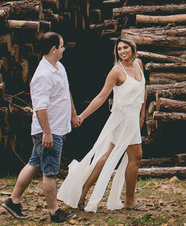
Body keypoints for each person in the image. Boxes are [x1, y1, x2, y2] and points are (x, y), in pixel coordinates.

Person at [57, 35, 148, 212]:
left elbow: (143, 90)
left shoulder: (138, 63)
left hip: (133, 118)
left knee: (115, 156)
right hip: (121, 118)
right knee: (129, 157)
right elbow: (101, 97)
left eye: (125, 48)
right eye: (119, 49)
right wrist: (82, 116)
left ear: (132, 48)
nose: (122, 52)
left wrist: (142, 116)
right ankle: (127, 199)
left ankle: (85, 192)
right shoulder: (116, 71)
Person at [2, 32, 81, 222]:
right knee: (50, 171)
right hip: (49, 130)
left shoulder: (59, 67)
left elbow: (66, 91)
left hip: (57, 128)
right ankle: (54, 212)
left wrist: (73, 114)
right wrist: (47, 133)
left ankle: (13, 201)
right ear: (54, 49)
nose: (64, 49)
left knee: (34, 163)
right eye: (62, 46)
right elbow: (40, 107)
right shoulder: (43, 75)